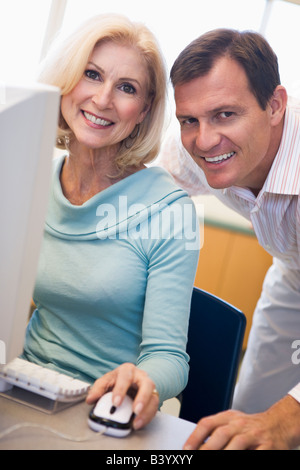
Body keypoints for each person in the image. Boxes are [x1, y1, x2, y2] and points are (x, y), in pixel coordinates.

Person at [22, 14, 199, 432]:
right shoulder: (28, 179)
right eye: (91, 74)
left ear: (143, 111)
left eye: (126, 88)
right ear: (66, 81)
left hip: (103, 411)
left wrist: (145, 381)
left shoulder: (170, 209)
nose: (102, 99)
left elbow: (169, 357)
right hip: (23, 387)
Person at [156, 28, 300, 449]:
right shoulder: (193, 146)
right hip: (293, 273)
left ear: (275, 106)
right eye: (190, 120)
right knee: (252, 414)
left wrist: (286, 418)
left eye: (225, 115)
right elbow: (142, 210)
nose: (204, 140)